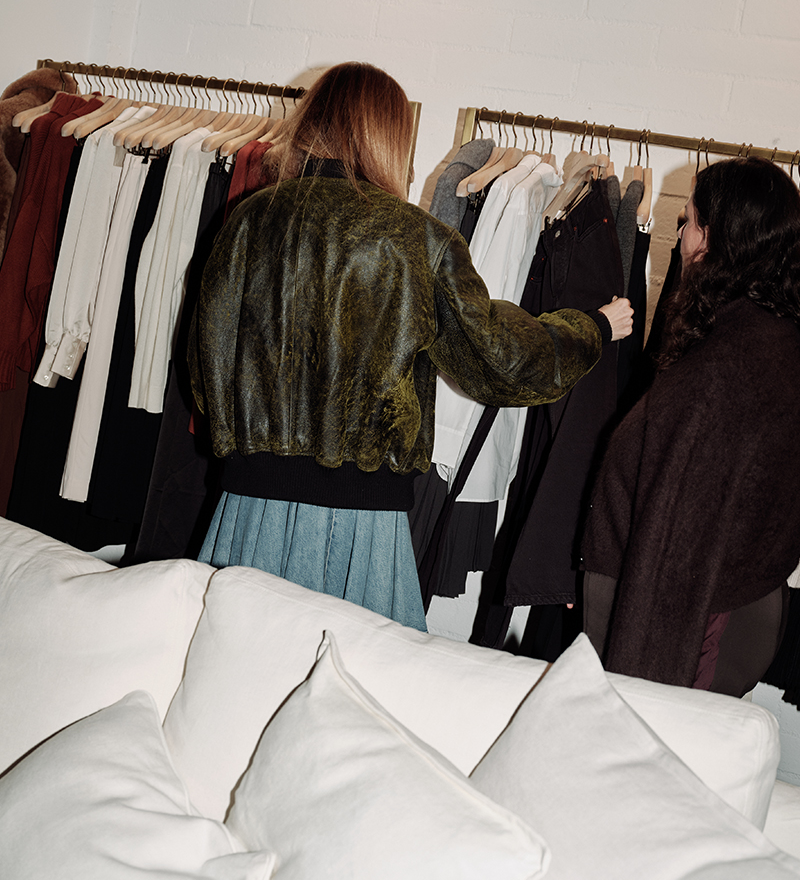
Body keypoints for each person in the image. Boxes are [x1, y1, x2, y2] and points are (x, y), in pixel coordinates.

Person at [188, 61, 633, 631]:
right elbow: (497, 360)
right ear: (391, 137)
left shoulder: (247, 220)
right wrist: (591, 328)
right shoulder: (414, 238)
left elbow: (202, 367)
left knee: (237, 659)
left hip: (246, 511)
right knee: (353, 671)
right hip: (359, 524)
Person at [582, 156, 800, 695]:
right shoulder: (765, 337)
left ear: (719, 239)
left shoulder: (729, 365)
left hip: (685, 631)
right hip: (709, 612)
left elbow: (677, 550)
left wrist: (638, 686)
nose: (680, 236)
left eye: (689, 221)